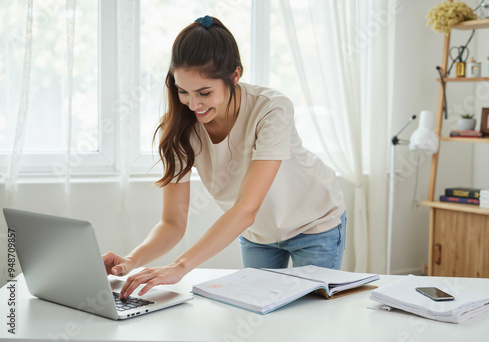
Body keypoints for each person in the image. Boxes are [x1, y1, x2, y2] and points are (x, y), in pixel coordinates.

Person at [103, 16, 346, 299]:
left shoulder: (271, 109)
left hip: (314, 224)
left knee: (308, 316)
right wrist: (132, 260)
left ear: (235, 76)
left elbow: (246, 208)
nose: (194, 104)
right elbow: (172, 222)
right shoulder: (181, 128)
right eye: (183, 91)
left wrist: (180, 266)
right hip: (258, 236)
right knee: (257, 312)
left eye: (204, 92)